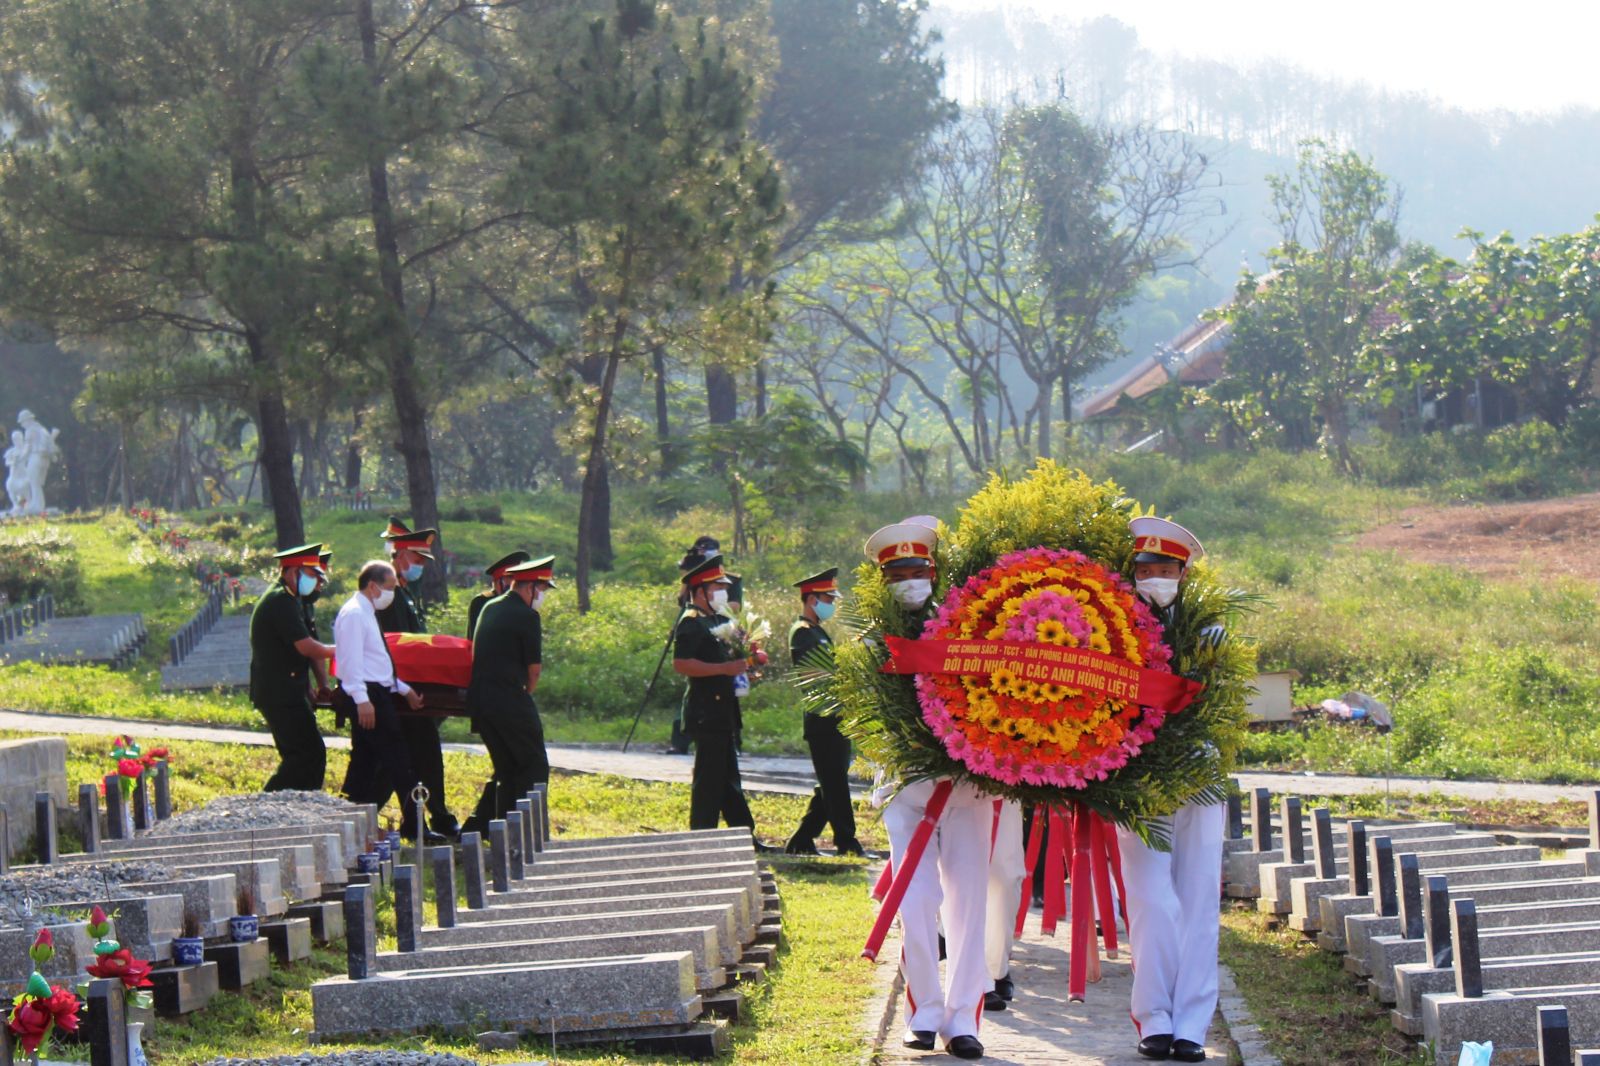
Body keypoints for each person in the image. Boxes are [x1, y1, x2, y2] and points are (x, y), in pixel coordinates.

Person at [868, 518, 990, 1061]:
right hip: (905, 785)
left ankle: (963, 1019)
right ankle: (925, 1010)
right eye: (898, 574)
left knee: (968, 904)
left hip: (968, 788)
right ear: (884, 580)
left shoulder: (967, 627)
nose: (910, 582)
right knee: (916, 902)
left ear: (935, 574)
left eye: (918, 572)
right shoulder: (871, 638)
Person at [1116, 515, 1222, 1064]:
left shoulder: (1209, 632)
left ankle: (1192, 1025)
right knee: (1153, 900)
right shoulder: (1110, 628)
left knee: (1200, 899)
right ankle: (1153, 1015)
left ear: (1182, 574)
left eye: (1165, 569)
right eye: (1146, 569)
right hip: (1137, 778)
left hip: (1199, 778)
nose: (1155, 578)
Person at [333, 560, 430, 841]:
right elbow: (350, 662)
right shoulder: (354, 614)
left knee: (364, 762)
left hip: (375, 690)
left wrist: (402, 689)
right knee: (399, 760)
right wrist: (363, 700)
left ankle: (349, 821)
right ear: (373, 586)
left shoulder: (366, 612)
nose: (393, 594)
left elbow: (375, 661)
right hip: (367, 695)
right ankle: (415, 826)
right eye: (389, 588)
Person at [374, 516, 459, 839]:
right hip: (400, 689)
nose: (421, 565)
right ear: (399, 555)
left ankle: (427, 819)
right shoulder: (389, 593)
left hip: (411, 687)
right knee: (409, 758)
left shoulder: (405, 592)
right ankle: (428, 819)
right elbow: (396, 644)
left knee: (413, 757)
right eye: (418, 559)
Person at [672, 553, 758, 834]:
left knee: (728, 776)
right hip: (705, 711)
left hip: (724, 710)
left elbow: (731, 658)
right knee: (709, 779)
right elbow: (682, 664)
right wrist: (724, 669)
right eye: (716, 588)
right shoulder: (691, 621)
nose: (723, 593)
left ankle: (742, 833)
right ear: (700, 592)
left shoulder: (718, 619)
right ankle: (702, 834)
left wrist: (746, 667)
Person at [466, 555, 556, 823]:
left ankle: (502, 831)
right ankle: (530, 831)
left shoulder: (489, 607)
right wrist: (525, 693)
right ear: (530, 587)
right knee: (533, 765)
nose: (541, 597)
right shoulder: (527, 616)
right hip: (509, 699)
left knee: (506, 769)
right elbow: (534, 670)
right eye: (541, 590)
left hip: (481, 701)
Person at [782, 567, 863, 857]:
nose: (832, 603)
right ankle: (846, 841)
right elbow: (817, 673)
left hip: (835, 716)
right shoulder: (802, 633)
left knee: (831, 780)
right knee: (835, 783)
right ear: (812, 599)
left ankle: (803, 838)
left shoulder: (817, 631)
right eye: (828, 597)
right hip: (822, 718)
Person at [248, 544, 335, 792]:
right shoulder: (280, 601)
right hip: (279, 693)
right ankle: (268, 803)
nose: (317, 583)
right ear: (293, 571)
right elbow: (307, 647)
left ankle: (302, 802)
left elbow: (312, 647)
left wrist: (322, 685)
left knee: (308, 754)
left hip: (291, 690)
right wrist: (341, 650)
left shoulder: (296, 600)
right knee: (305, 754)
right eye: (312, 575)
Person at [467, 550, 531, 642]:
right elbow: (474, 640)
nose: (515, 583)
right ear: (499, 580)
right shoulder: (481, 602)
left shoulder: (521, 602)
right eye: (511, 578)